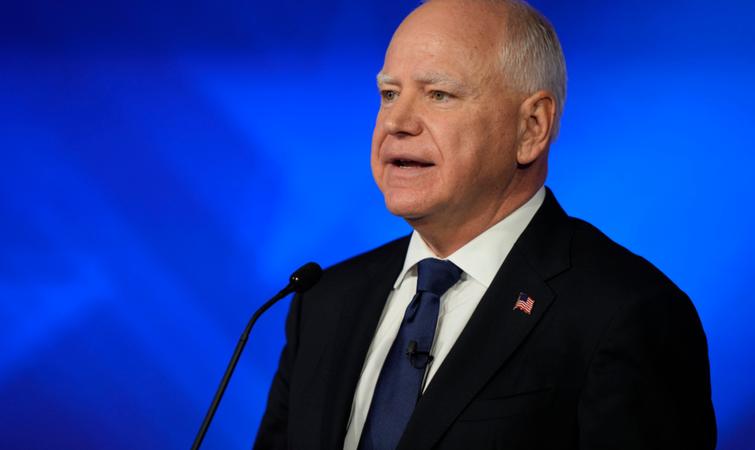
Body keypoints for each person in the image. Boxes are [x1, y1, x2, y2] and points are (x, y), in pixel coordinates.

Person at [254, 0, 716, 448]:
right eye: (389, 94)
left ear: (531, 127)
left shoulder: (625, 314)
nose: (396, 121)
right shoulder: (322, 301)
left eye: (439, 94)